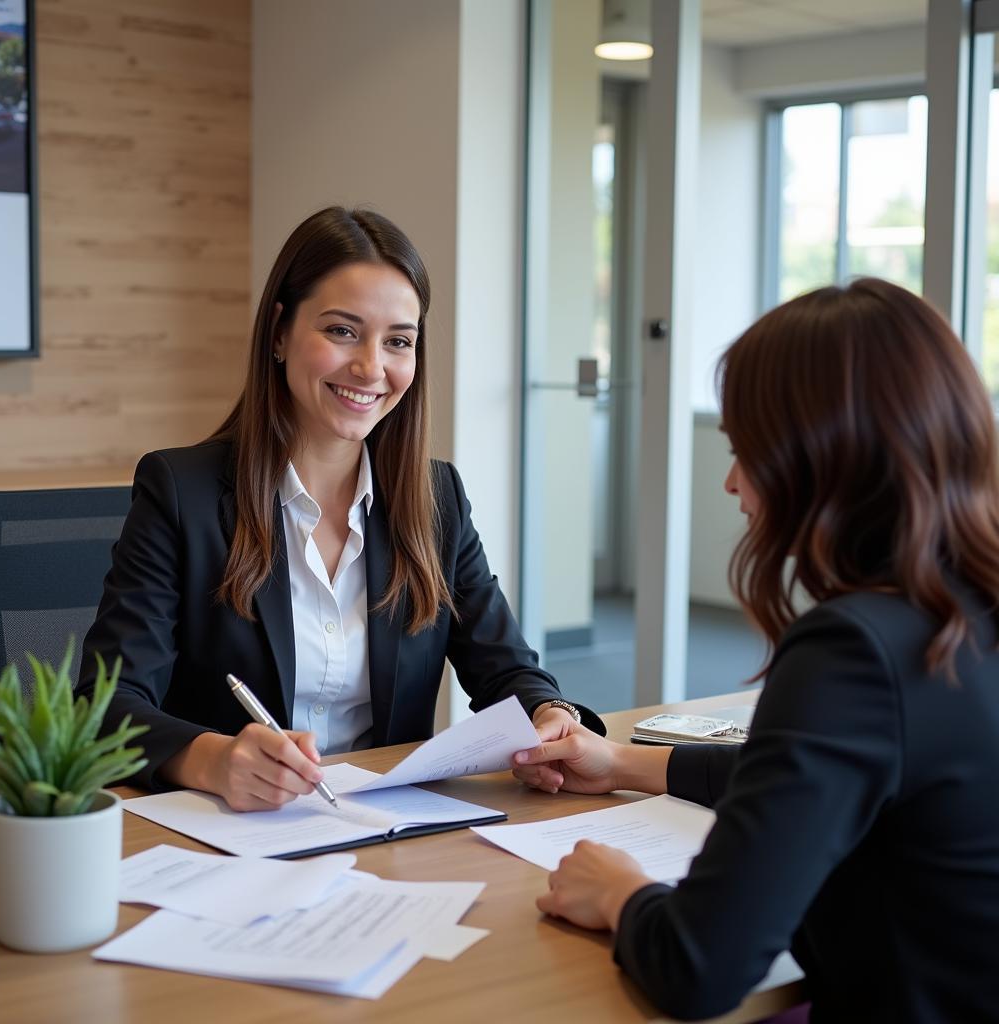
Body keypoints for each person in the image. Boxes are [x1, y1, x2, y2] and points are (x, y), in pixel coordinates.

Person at [512, 278, 999, 1022]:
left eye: (747, 452)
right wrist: (623, 765)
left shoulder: (854, 651)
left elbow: (699, 968)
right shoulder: (964, 609)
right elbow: (814, 771)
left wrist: (619, 892)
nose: (734, 483)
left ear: (823, 459)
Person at [76, 206, 601, 811]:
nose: (371, 368)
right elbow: (106, 706)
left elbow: (507, 670)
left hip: (388, 828)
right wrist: (213, 759)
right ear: (278, 332)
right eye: (342, 331)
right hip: (229, 833)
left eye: (398, 342)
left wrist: (549, 715)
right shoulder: (180, 491)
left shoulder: (437, 500)